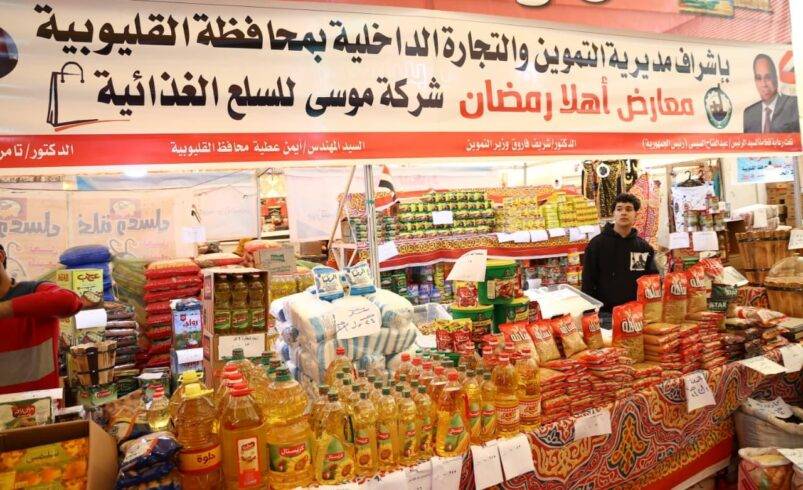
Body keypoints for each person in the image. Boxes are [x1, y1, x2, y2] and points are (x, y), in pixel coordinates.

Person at [0, 244, 85, 394]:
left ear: (0, 256)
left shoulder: (33, 292)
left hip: (41, 406)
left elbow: (71, 301)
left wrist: (4, 309)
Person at [582, 193, 658, 329]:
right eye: (619, 209)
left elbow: (652, 280)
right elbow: (588, 281)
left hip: (635, 314)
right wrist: (589, 313)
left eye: (628, 209)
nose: (623, 213)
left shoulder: (643, 248)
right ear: (613, 213)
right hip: (605, 315)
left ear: (636, 214)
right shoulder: (597, 244)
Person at [743, 54, 799, 134]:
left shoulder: (793, 105)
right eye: (758, 78)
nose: (764, 84)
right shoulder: (749, 114)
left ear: (776, 77)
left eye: (768, 77)